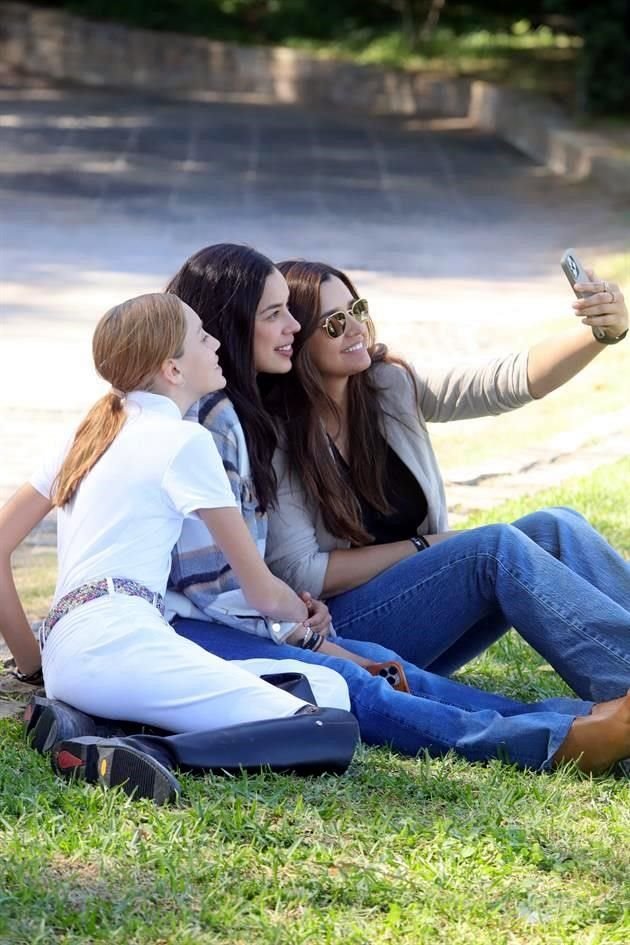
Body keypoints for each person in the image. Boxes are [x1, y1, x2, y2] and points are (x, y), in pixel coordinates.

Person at [166, 243, 630, 775]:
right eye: (333, 322)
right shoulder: (272, 432)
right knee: (492, 549)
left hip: (416, 609)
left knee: (555, 525)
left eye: (358, 310)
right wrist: (427, 547)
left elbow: (504, 381)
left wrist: (600, 333)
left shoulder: (386, 385)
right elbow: (301, 572)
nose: (356, 328)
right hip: (341, 624)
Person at [0, 292, 359, 803]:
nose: (215, 343)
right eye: (201, 336)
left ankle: (81, 719)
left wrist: (35, 664)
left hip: (71, 655)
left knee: (328, 687)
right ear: (172, 368)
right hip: (120, 644)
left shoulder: (87, 433)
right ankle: (138, 752)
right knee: (331, 725)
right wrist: (303, 616)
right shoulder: (185, 441)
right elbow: (259, 591)